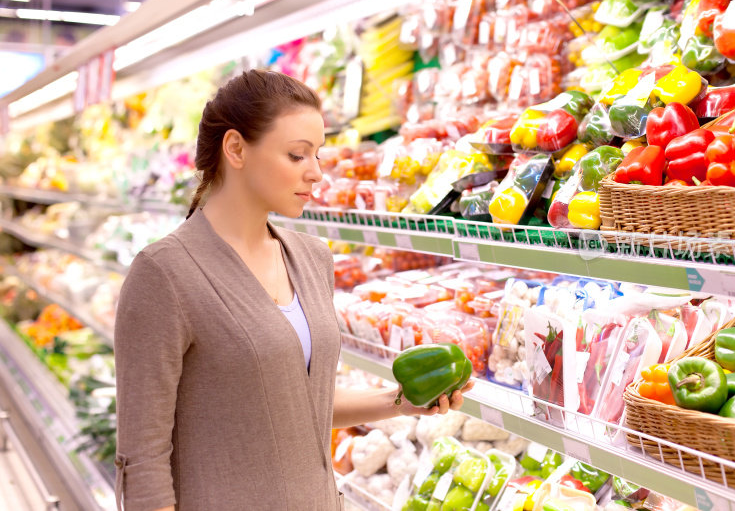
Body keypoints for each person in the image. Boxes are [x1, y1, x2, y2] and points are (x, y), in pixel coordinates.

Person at [114, 69, 473, 511]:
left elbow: (299, 407)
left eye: (318, 155)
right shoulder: (165, 274)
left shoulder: (311, 258)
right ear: (235, 149)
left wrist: (397, 403)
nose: (317, 173)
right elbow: (142, 457)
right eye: (297, 156)